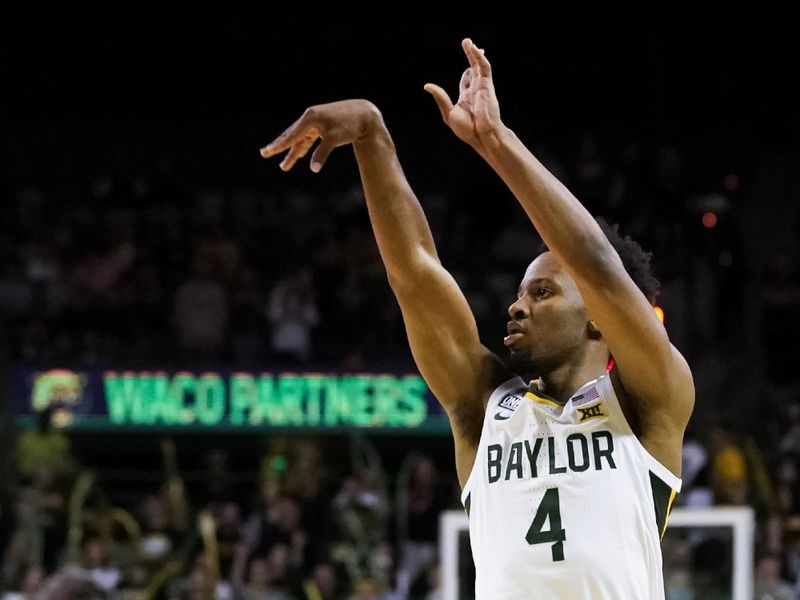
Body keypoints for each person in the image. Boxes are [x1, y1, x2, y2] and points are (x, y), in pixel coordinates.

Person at [261, 37, 695, 599]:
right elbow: (416, 275)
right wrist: (373, 139)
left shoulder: (648, 402)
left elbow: (599, 265)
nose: (517, 305)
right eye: (520, 292)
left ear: (599, 320)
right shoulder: (485, 407)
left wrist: (495, 140)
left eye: (543, 293)